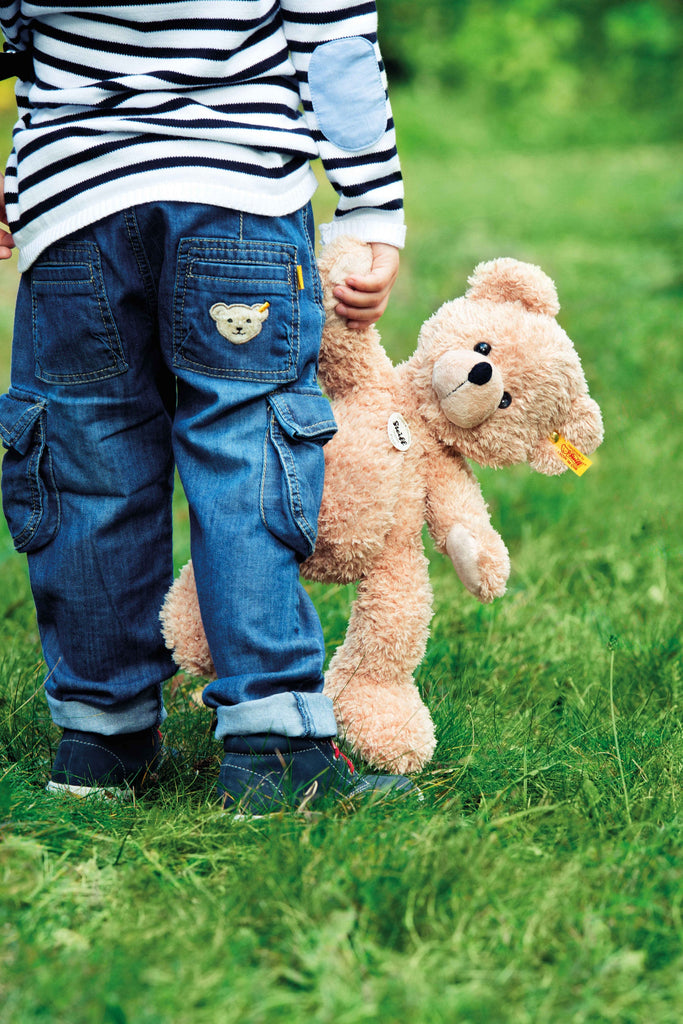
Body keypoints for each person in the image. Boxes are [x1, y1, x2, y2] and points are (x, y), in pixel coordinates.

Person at [0, 2, 411, 812]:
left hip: (74, 204)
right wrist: (370, 208)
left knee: (89, 468)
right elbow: (332, 42)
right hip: (238, 194)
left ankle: (101, 739)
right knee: (245, 458)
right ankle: (274, 743)